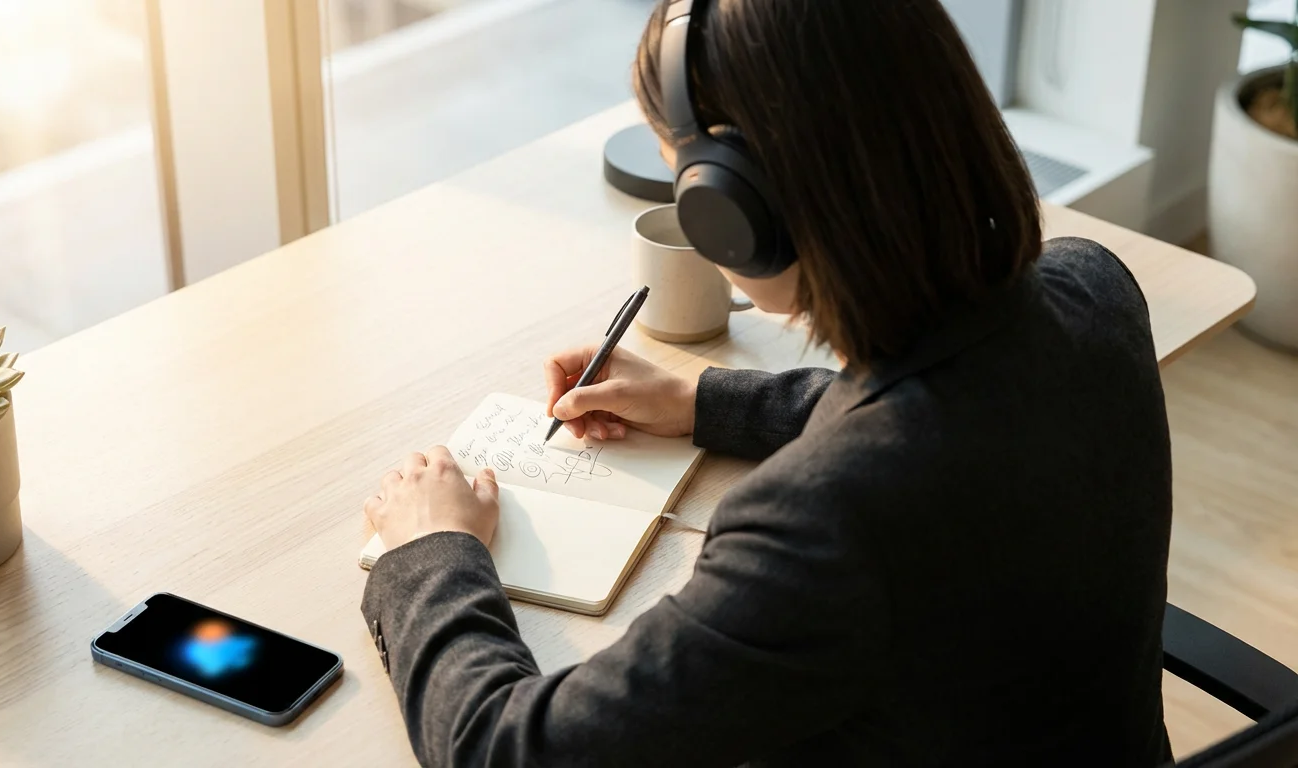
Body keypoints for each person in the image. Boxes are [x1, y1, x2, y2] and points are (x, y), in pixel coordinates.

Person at [359, 0, 1174, 765]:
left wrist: (434, 551)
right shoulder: (1093, 290)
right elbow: (950, 416)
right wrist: (706, 401)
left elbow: (505, 749)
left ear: (737, 211)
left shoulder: (819, 528)